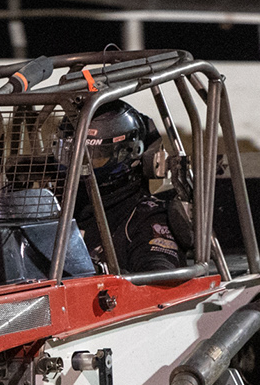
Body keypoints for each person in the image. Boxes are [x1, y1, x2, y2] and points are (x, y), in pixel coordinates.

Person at [59, 103, 191, 274]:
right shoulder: (52, 205)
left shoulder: (146, 218)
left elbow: (158, 282)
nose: (80, 166)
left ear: (128, 154)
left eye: (96, 157)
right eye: (71, 155)